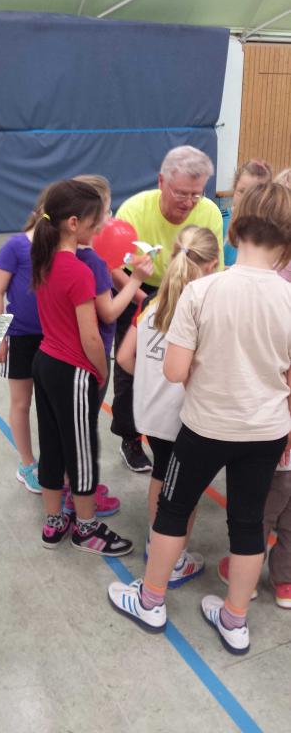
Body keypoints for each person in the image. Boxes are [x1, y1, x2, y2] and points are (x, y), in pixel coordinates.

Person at [108, 181, 291, 655]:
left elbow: (174, 370)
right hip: (267, 431)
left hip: (205, 427)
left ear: (234, 230)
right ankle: (234, 618)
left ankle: (150, 600)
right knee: (247, 523)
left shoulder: (202, 291)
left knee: (173, 509)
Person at [31, 179, 133, 556]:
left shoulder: (43, 259)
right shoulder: (78, 271)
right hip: (71, 369)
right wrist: (101, 370)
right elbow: (91, 337)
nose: (100, 227)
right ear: (73, 223)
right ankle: (86, 528)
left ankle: (54, 520)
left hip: (45, 362)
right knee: (82, 449)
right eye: (94, 221)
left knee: (52, 444)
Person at [116, 225, 219, 586]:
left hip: (151, 414)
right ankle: (175, 558)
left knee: (160, 474)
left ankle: (154, 540)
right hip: (186, 418)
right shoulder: (205, 308)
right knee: (185, 492)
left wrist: (149, 379)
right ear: (213, 265)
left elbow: (124, 357)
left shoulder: (150, 303)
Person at [111, 145, 223, 472]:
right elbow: (112, 266)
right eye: (181, 193)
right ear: (162, 182)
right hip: (139, 290)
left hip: (191, 292)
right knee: (131, 364)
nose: (189, 202)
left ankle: (182, 426)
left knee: (186, 364)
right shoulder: (134, 210)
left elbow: (213, 269)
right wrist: (148, 305)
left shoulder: (210, 213)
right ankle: (130, 436)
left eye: (197, 194)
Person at [218, 167, 291, 607]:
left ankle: (248, 569)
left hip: (271, 421)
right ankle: (281, 579)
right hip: (273, 418)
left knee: (261, 505)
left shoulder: (273, 279)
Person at [64, 173, 154, 517]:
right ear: (85, 218)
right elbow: (110, 310)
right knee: (83, 429)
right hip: (88, 359)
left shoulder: (61, 254)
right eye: (106, 212)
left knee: (71, 427)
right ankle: (80, 494)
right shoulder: (92, 263)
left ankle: (70, 485)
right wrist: (137, 281)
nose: (111, 219)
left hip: (62, 356)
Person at [0, 197, 44, 493]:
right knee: (22, 403)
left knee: (50, 405)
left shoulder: (60, 248)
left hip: (53, 338)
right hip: (21, 337)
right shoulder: (16, 246)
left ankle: (53, 461)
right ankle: (27, 464)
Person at [223, 159, 272, 267]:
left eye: (255, 194)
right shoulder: (220, 219)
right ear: (234, 189)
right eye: (242, 191)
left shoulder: (272, 228)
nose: (246, 198)